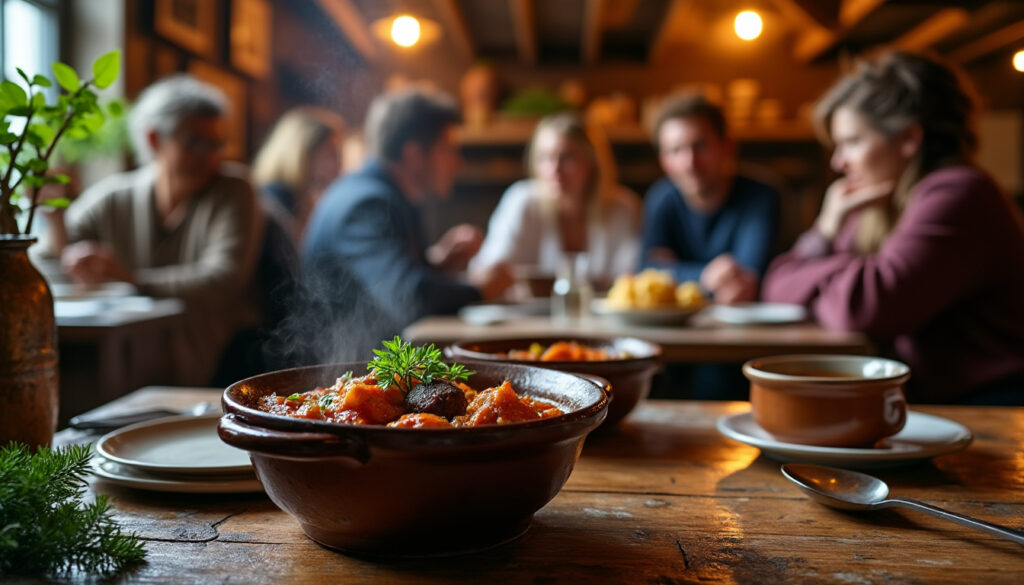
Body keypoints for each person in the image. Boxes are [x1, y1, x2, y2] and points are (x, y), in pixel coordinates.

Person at [761, 51, 1024, 405]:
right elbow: (777, 285)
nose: (838, 162)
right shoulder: (876, 204)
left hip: (996, 406)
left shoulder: (959, 193)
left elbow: (864, 309)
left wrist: (828, 283)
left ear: (908, 139)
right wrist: (827, 227)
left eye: (852, 142)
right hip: (931, 402)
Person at [38, 74, 264, 386]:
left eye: (216, 144)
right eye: (194, 142)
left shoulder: (234, 191)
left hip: (218, 365)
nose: (209, 156)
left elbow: (222, 279)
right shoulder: (114, 196)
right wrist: (55, 219)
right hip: (127, 361)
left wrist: (129, 279)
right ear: (154, 139)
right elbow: (48, 266)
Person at [298, 88, 514, 363]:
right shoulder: (365, 205)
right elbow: (409, 299)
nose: (458, 163)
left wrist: (437, 264)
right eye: (448, 150)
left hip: (366, 363)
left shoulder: (382, 196)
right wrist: (480, 287)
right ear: (414, 154)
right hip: (337, 373)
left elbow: (386, 287)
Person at [470, 112, 642, 284]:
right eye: (545, 157)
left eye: (567, 158)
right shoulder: (522, 201)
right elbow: (488, 269)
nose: (555, 170)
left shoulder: (623, 208)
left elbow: (634, 276)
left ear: (592, 162)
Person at [641, 92, 779, 304]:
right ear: (663, 161)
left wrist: (675, 273)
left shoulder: (761, 197)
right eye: (676, 151)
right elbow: (647, 271)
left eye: (700, 146)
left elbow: (748, 278)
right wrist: (704, 276)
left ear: (727, 147)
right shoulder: (660, 198)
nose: (690, 163)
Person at [251, 106, 345, 246]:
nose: (339, 162)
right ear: (304, 151)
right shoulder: (274, 198)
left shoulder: (304, 196)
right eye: (333, 153)